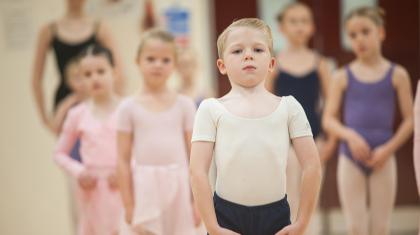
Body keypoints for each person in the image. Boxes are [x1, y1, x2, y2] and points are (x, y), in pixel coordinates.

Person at [190, 18, 322, 235]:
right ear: (222, 65)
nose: (248, 55)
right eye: (237, 50)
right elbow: (197, 172)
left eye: (258, 49)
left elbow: (312, 166)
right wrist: (213, 227)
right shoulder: (210, 109)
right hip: (226, 217)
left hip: (276, 217)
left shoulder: (289, 107)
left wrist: (301, 223)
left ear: (271, 63)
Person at [323, 7, 414, 235]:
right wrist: (350, 135)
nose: (359, 39)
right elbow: (328, 119)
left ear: (380, 32)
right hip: (350, 157)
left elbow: (411, 120)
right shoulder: (342, 76)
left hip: (383, 157)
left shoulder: (398, 74)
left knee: (381, 227)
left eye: (365, 31)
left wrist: (388, 149)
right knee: (356, 227)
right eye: (353, 35)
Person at [117, 29, 199, 235]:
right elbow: (122, 160)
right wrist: (128, 204)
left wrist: (197, 202)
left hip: (179, 186)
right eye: (151, 59)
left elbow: (195, 157)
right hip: (144, 188)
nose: (158, 65)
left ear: (174, 64)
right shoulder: (127, 107)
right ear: (138, 61)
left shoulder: (185, 105)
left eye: (165, 60)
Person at [267, 4, 336, 231]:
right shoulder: (273, 64)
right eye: (293, 21)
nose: (299, 26)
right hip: (282, 143)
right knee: (287, 201)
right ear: (281, 27)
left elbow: (332, 107)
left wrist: (330, 140)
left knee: (309, 203)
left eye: (304, 21)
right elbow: (266, 104)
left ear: (312, 27)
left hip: (313, 141)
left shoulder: (320, 63)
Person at [54, 44, 122, 235]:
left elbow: (142, 150)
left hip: (124, 189)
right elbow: (59, 153)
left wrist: (126, 171)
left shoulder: (128, 110)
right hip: (91, 191)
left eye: (101, 71)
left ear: (114, 72)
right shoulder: (77, 114)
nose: (95, 78)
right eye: (87, 74)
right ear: (80, 80)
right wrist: (79, 171)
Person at [32, 0, 125, 133]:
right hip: (65, 100)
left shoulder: (99, 28)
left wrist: (116, 106)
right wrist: (45, 119)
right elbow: (36, 79)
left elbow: (118, 71)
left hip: (97, 97)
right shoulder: (48, 31)